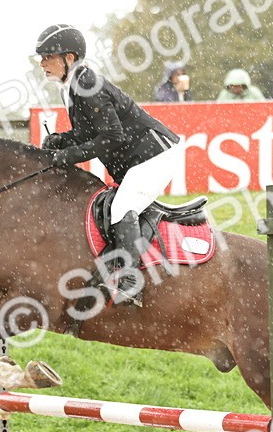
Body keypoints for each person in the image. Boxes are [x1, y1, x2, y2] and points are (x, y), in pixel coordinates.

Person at [37, 23, 184, 307]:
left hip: (157, 155)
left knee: (121, 207)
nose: (42, 63)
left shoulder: (86, 84)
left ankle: (131, 282)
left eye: (48, 56)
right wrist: (61, 141)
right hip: (142, 157)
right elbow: (87, 134)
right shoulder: (71, 87)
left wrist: (69, 155)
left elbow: (113, 137)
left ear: (69, 58)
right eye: (41, 57)